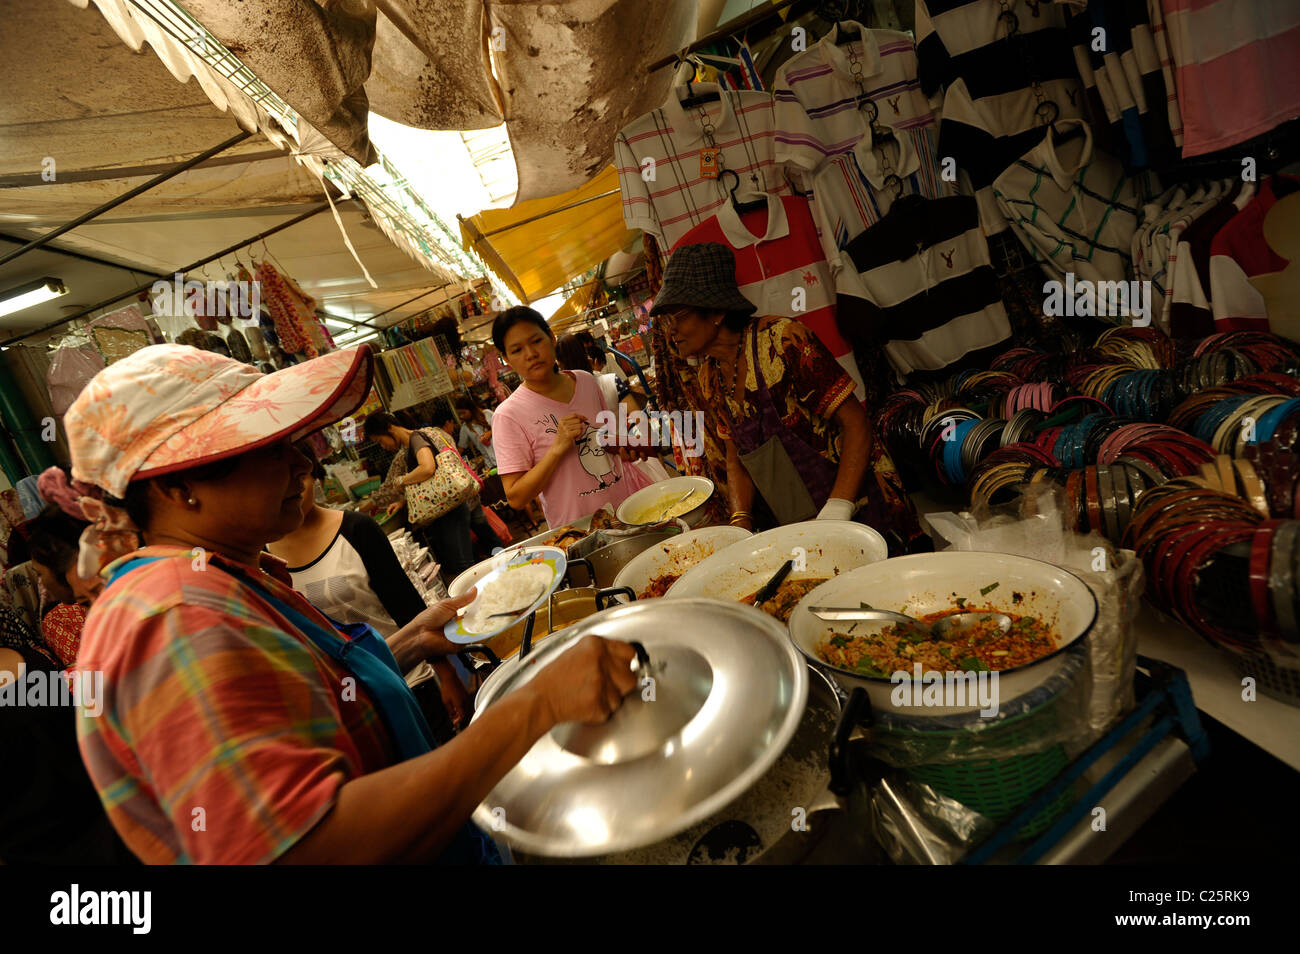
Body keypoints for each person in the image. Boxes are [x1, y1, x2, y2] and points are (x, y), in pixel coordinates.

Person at [62, 342, 639, 864]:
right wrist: (537, 704)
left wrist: (410, 640)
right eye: (269, 450)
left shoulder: (222, 577)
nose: (303, 465)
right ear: (175, 486)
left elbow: (298, 703)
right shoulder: (176, 617)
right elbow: (308, 846)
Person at [655, 242, 925, 553]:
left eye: (676, 316)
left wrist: (839, 507)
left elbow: (856, 424)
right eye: (664, 321)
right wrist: (740, 522)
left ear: (716, 312)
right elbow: (735, 455)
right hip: (800, 528)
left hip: (861, 505)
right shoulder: (709, 377)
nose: (669, 331)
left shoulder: (783, 340)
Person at [266, 448, 473, 732]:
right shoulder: (263, 560)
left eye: (301, 477)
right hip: (347, 707)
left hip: (407, 682)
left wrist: (447, 674)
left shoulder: (356, 529)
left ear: (316, 477)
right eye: (279, 480)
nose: (294, 489)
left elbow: (405, 604)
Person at [491, 307, 655, 529]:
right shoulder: (508, 415)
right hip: (581, 533)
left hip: (630, 512)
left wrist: (623, 448)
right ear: (506, 359)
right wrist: (557, 448)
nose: (530, 354)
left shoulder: (586, 381)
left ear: (551, 337)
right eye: (517, 349)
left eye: (536, 341)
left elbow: (606, 440)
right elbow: (516, 497)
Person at [364, 411, 476, 582]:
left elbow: (427, 468)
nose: (383, 446)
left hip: (451, 511)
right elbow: (426, 480)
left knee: (464, 567)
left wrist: (402, 480)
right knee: (460, 566)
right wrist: (403, 501)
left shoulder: (416, 438)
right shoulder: (409, 445)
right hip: (447, 510)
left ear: (389, 428)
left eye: (380, 441)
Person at [454, 395, 496, 469]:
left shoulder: (487, 414)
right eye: (460, 414)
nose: (461, 416)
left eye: (463, 413)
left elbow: (504, 426)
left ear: (471, 409)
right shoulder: (465, 428)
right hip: (490, 464)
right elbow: (461, 448)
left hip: (505, 457)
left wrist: (491, 432)